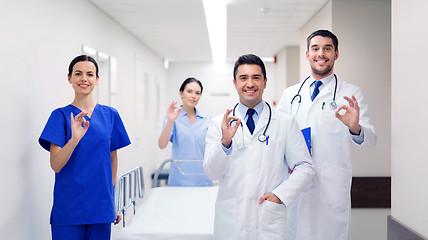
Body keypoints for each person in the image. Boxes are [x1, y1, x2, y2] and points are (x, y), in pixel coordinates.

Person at [277, 30, 377, 240]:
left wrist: (355, 127)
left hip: (330, 189)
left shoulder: (351, 94)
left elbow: (370, 141)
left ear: (336, 54)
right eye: (315, 49)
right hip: (296, 185)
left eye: (327, 49)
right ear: (307, 54)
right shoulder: (290, 95)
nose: (320, 54)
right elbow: (279, 139)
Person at [204, 54, 315, 239]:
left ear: (265, 81)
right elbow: (211, 172)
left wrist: (280, 195)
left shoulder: (285, 122)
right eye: (243, 78)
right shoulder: (218, 124)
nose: (250, 83)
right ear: (234, 83)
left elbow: (305, 167)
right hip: (232, 219)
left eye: (256, 77)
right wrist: (225, 143)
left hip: (268, 218)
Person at [39, 55, 131, 240]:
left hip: (101, 207)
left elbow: (112, 159)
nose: (84, 79)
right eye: (78, 73)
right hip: (69, 209)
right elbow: (56, 165)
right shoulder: (60, 116)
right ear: (69, 79)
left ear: (97, 80)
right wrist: (74, 139)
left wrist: (111, 201)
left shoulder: (111, 115)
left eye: (90, 74)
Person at [158, 77, 212, 186]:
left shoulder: (207, 119)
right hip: (179, 179)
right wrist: (170, 121)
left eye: (197, 93)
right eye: (189, 91)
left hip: (202, 178)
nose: (193, 96)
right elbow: (162, 145)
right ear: (181, 93)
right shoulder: (173, 118)